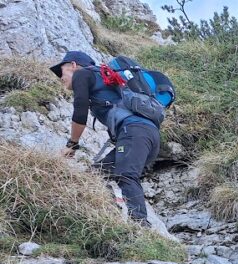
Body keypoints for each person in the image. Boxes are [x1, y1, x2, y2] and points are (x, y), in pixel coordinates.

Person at [50, 51, 160, 226]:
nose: (60, 77)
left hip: (134, 133)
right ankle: (108, 218)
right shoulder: (103, 77)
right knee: (93, 177)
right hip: (147, 136)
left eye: (61, 71)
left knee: (126, 175)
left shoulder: (82, 73)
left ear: (73, 65)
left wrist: (72, 144)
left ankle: (141, 228)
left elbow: (80, 110)